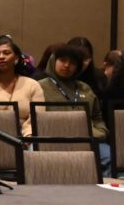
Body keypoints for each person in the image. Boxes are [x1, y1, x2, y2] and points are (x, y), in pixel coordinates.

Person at [40, 43, 111, 174]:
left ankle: (103, 186)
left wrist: (100, 132)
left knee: (109, 156)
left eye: (72, 63)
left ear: (78, 67)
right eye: (62, 60)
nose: (67, 65)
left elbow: (97, 117)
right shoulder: (40, 87)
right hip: (54, 139)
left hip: (88, 138)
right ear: (53, 61)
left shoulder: (85, 88)